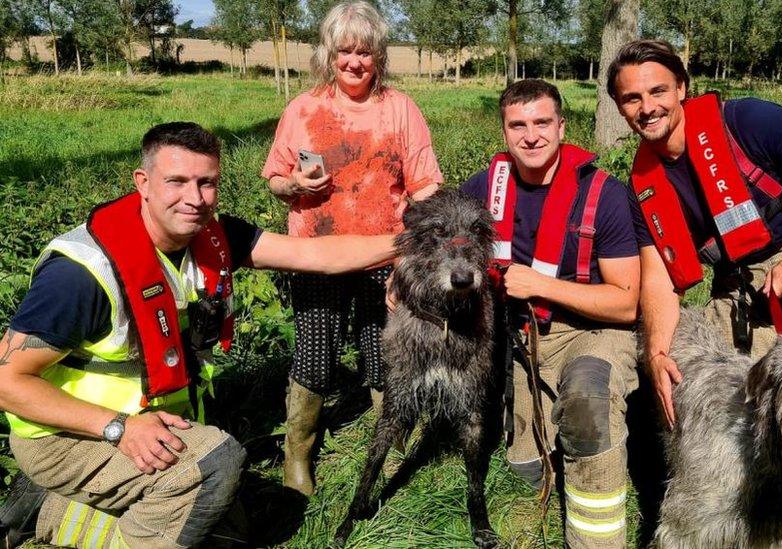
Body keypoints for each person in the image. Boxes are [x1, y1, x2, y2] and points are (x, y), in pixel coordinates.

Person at [0, 122, 399, 549]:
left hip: (153, 423)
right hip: (69, 435)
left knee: (233, 530)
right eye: (177, 181)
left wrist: (409, 241)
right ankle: (63, 492)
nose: (194, 199)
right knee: (214, 466)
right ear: (144, 183)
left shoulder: (213, 236)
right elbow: (7, 382)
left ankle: (48, 509)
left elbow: (314, 255)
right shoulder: (82, 274)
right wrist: (117, 428)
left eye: (207, 183)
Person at [608, 39, 782, 548]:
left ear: (682, 88)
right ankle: (756, 517)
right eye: (631, 98)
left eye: (658, 90)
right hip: (740, 281)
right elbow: (660, 277)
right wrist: (658, 353)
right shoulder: (643, 181)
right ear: (619, 107)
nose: (648, 107)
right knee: (763, 408)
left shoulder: (747, 121)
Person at [261, 0, 442, 497]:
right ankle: (298, 454)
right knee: (315, 357)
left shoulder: (400, 109)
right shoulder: (304, 108)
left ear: (378, 56)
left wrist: (412, 256)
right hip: (315, 256)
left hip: (384, 255)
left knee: (380, 356)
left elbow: (425, 187)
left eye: (365, 52)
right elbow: (274, 178)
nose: (354, 62)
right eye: (345, 51)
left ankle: (386, 447)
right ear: (329, 53)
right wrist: (294, 182)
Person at [460, 79, 641, 548]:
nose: (531, 136)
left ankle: (595, 537)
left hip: (595, 330)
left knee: (587, 400)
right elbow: (440, 240)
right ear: (503, 131)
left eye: (542, 123)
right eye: (517, 125)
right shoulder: (483, 188)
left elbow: (625, 301)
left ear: (562, 127)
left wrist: (540, 285)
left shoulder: (605, 195)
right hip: (525, 338)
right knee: (524, 466)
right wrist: (402, 273)